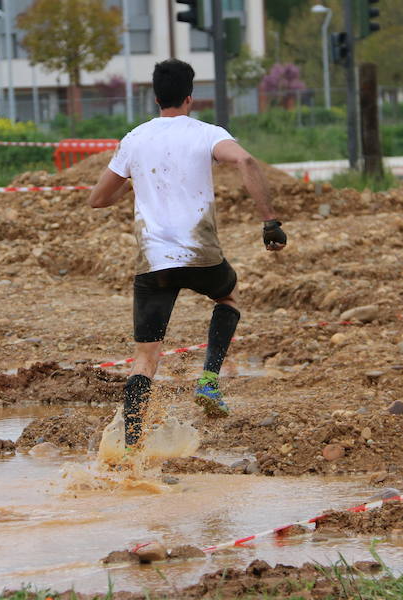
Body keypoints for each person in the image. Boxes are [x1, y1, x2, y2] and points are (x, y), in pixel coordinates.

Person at [88, 59, 287, 449]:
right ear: (190, 98)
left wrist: (132, 183)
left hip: (153, 265)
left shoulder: (134, 139)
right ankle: (208, 381)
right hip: (202, 258)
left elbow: (97, 199)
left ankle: (130, 450)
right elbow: (245, 160)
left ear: (155, 98)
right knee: (228, 295)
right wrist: (270, 221)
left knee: (145, 359)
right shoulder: (207, 133)